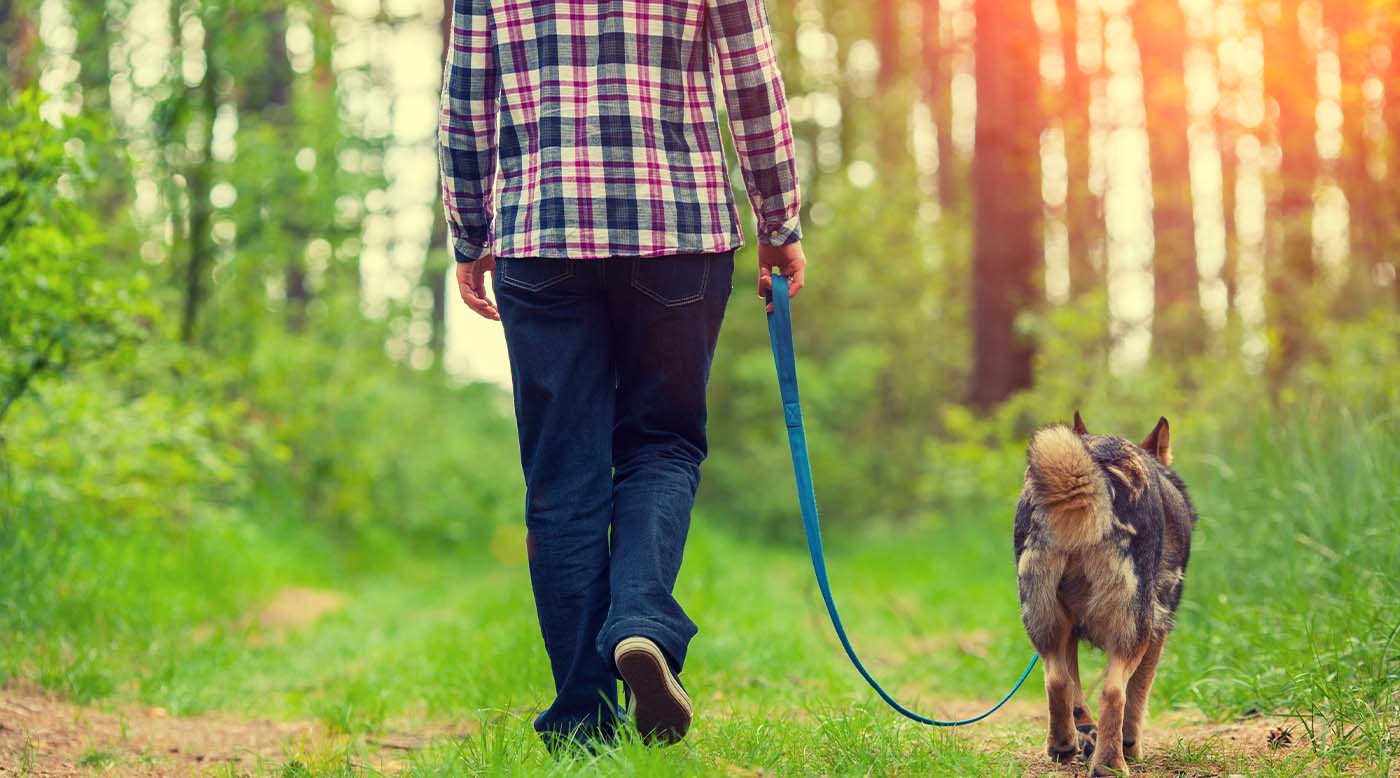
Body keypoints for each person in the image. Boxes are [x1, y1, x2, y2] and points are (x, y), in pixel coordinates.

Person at [438, 0, 806, 749]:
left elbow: (467, 99)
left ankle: (582, 722)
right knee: (662, 446)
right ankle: (640, 621)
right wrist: (778, 223)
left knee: (562, 475)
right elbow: (751, 77)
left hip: (542, 233)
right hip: (678, 228)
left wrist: (470, 233)